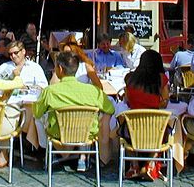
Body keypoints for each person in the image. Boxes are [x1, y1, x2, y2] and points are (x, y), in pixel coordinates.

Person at [33, 50, 115, 172]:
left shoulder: (50, 91)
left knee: (38, 120)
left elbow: (37, 113)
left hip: (58, 133)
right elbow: (110, 108)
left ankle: (46, 151)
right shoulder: (93, 91)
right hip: (86, 133)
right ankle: (86, 154)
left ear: (59, 68)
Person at [121, 49, 169, 180]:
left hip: (133, 126)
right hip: (154, 126)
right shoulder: (161, 78)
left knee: (125, 133)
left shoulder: (131, 79)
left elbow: (128, 100)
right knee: (164, 131)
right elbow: (165, 102)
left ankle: (134, 165)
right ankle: (150, 164)